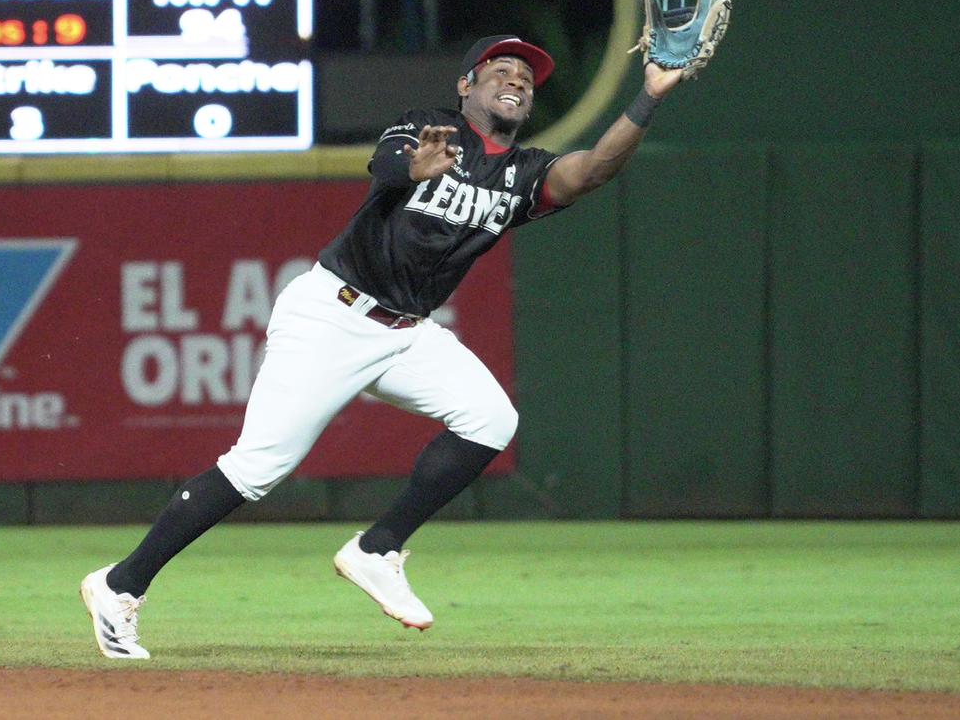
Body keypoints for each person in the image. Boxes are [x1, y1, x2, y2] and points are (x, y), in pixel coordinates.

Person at [81, 34, 685, 659]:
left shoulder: (523, 172)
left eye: (527, 78)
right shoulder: (430, 128)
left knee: (490, 418)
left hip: (406, 333)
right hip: (333, 315)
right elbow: (389, 164)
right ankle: (120, 586)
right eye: (499, 69)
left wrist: (648, 96)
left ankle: (378, 548)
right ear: (466, 86)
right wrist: (413, 167)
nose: (517, 80)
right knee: (258, 468)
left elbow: (593, 170)